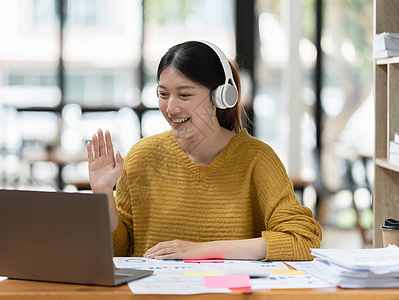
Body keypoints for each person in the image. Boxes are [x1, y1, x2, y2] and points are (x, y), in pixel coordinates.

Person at [87, 40, 322, 261]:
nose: (171, 107)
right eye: (163, 94)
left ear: (220, 97)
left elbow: (302, 241)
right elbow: (120, 250)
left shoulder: (256, 159)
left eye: (184, 95)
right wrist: (103, 192)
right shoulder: (142, 155)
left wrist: (204, 249)